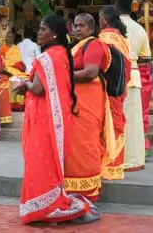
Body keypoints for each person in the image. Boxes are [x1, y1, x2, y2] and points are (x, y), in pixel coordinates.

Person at [13, 15, 96, 225]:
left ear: (55, 34)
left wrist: (25, 85)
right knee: (50, 160)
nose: (39, 33)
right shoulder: (62, 54)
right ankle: (48, 201)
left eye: (43, 29)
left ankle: (44, 206)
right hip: (59, 117)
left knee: (39, 160)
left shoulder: (46, 58)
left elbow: (38, 89)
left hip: (44, 118)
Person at [67, 13, 110, 202]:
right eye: (75, 25)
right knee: (76, 143)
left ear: (91, 29)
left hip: (89, 100)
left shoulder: (93, 44)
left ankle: (88, 189)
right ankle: (74, 187)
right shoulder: (78, 45)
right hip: (78, 100)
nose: (77, 29)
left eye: (81, 26)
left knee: (86, 142)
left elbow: (90, 72)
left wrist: (63, 75)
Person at [98, 5, 131, 181]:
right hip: (119, 90)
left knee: (106, 126)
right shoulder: (121, 38)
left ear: (103, 21)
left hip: (106, 90)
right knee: (117, 124)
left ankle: (107, 166)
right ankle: (116, 165)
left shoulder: (104, 37)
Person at [116, 0, 148, 171]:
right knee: (134, 122)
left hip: (116, 76)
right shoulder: (140, 29)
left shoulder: (112, 28)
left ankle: (117, 159)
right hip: (134, 76)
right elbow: (146, 60)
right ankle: (135, 160)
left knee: (115, 119)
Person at [3, 31, 27, 111]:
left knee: (21, 79)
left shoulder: (16, 48)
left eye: (11, 37)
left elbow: (19, 60)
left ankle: (19, 104)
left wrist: (13, 63)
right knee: (10, 79)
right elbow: (0, 60)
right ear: (6, 38)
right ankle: (11, 104)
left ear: (13, 38)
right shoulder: (2, 48)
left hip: (15, 69)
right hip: (5, 68)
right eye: (8, 37)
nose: (10, 38)